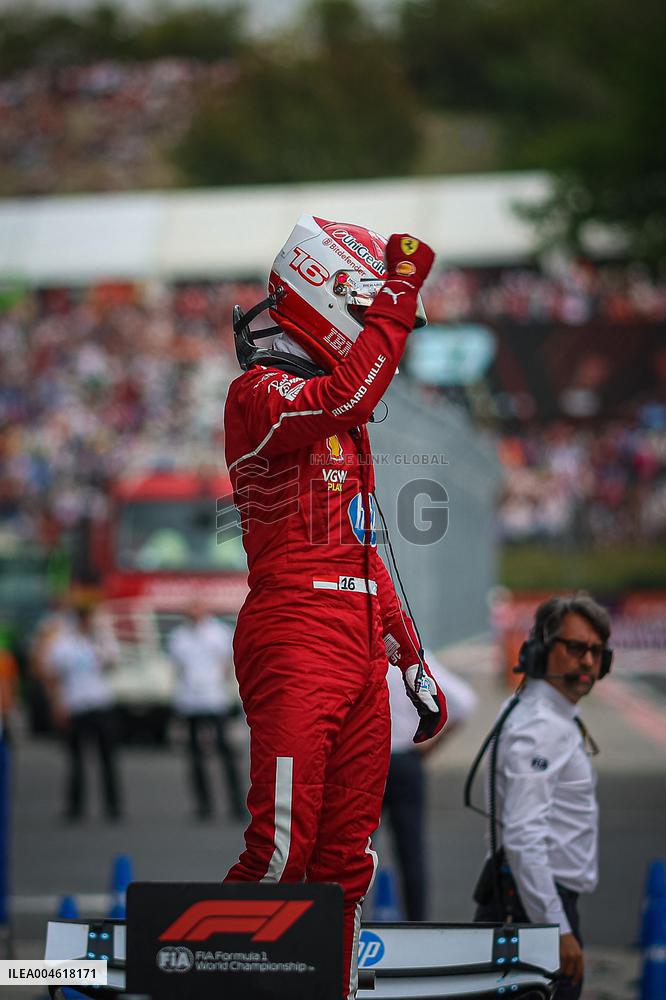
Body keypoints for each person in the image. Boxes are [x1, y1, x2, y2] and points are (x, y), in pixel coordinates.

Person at [224, 215, 448, 1000]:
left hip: (353, 639)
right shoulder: (257, 394)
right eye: (367, 309)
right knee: (281, 850)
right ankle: (230, 981)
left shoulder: (339, 419)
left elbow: (360, 547)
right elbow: (354, 389)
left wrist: (410, 653)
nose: (381, 332)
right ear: (325, 291)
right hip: (293, 635)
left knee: (345, 864)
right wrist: (403, 287)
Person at [473, 593, 613, 999]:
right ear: (538, 651)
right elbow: (523, 838)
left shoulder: (545, 715)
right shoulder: (541, 726)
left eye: (596, 652)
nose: (587, 661)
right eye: (575, 647)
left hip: (529, 903)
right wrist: (559, 930)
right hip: (534, 910)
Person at [384, 649, 477, 920]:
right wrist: (433, 745)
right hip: (408, 761)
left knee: (355, 851)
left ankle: (347, 923)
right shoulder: (415, 661)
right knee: (412, 851)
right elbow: (465, 702)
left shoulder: (361, 656)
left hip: (367, 762)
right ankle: (417, 923)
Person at [43, 606, 122, 822]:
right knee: (75, 759)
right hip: (75, 705)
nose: (87, 622)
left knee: (107, 759)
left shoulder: (101, 640)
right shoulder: (64, 644)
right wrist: (57, 704)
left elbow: (113, 662)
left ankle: (113, 806)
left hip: (100, 703)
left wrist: (99, 646)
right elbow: (52, 675)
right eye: (83, 618)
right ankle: (75, 807)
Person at [168, 601, 245, 821]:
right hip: (190, 700)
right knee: (195, 757)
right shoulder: (179, 637)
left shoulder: (219, 632)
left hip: (214, 698)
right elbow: (177, 668)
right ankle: (203, 805)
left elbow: (227, 662)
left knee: (225, 753)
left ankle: (235, 803)